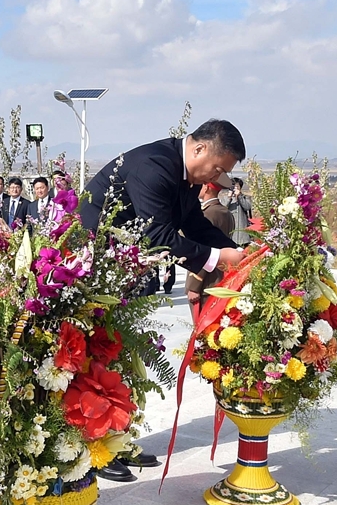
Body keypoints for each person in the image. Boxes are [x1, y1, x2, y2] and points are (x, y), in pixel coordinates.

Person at [80, 118, 247, 481]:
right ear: (199, 148)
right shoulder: (154, 166)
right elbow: (157, 237)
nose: (217, 177)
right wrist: (218, 259)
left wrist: (239, 254)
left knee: (122, 358)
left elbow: (195, 225)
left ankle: (117, 440)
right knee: (95, 361)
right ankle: (93, 450)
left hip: (122, 274)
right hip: (90, 274)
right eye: (218, 169)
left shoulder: (185, 174)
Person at [185, 173, 235, 319]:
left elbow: (204, 251)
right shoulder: (224, 211)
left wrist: (194, 285)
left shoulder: (209, 214)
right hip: (220, 276)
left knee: (203, 325)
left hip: (207, 282)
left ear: (206, 187)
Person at [224, 177, 253, 246]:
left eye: (237, 186)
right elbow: (223, 208)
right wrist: (229, 197)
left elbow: (247, 207)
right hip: (231, 232)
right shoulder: (226, 198)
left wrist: (239, 196)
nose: (235, 188)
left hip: (243, 233)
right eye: (233, 186)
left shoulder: (245, 197)